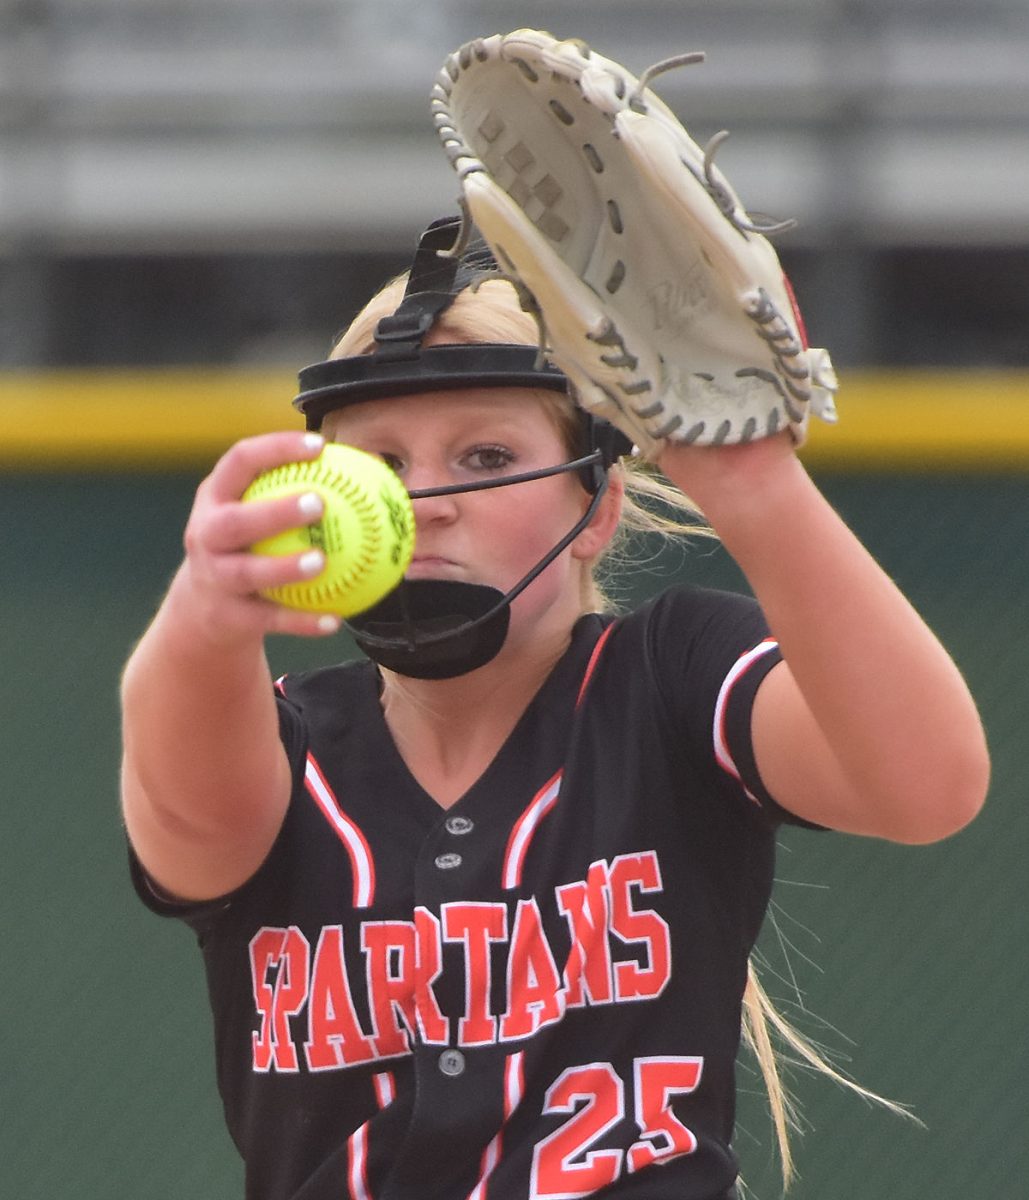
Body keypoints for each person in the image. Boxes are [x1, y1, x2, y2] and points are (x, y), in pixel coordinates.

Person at [120, 217, 989, 1200]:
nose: (429, 500)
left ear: (598, 509)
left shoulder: (668, 677)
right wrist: (202, 614)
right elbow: (187, 831)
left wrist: (752, 480)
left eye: (487, 458)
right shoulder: (278, 742)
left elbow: (929, 787)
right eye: (383, 467)